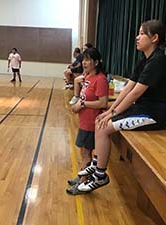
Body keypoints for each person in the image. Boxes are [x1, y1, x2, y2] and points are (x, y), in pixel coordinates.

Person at [75, 20, 166, 193]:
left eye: (142, 33)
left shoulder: (158, 61)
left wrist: (112, 112)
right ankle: (96, 163)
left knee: (105, 126)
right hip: (142, 108)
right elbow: (128, 87)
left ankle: (100, 175)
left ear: (155, 38)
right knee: (101, 120)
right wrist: (109, 112)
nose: (137, 37)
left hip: (154, 114)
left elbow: (135, 93)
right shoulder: (144, 61)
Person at [66, 47, 109, 194]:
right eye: (83, 59)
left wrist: (83, 104)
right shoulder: (88, 77)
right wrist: (77, 84)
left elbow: (103, 103)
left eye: (88, 60)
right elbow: (80, 98)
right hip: (84, 120)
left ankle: (82, 184)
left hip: (92, 123)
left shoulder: (100, 79)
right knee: (84, 152)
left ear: (96, 62)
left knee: (85, 153)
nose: (84, 62)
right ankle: (82, 177)